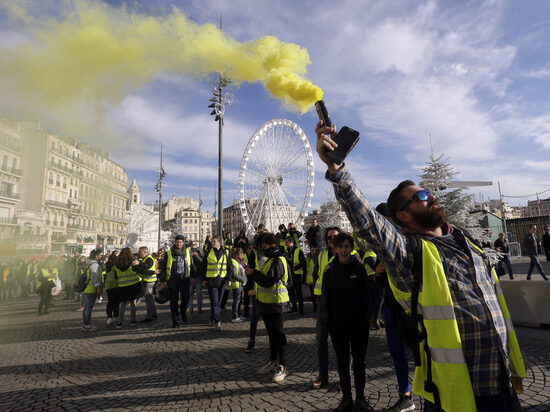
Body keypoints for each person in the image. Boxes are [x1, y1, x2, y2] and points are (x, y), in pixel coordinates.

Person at [316, 120, 526, 412]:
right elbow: (369, 224)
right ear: (403, 215)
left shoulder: (468, 244)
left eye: (429, 192)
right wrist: (337, 171)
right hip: (456, 394)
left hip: (502, 385)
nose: (432, 196)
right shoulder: (410, 254)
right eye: (422, 196)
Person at [322, 233, 373, 411]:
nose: (344, 250)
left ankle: (360, 397)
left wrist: (366, 320)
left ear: (351, 248)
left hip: (359, 325)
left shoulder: (359, 268)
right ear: (335, 249)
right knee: (342, 363)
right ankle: (346, 398)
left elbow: (367, 296)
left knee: (360, 362)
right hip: (338, 326)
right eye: (341, 246)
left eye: (347, 246)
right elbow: (326, 300)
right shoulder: (329, 271)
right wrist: (330, 323)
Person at [245, 233, 290, 383]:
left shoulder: (278, 260)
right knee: (272, 334)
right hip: (265, 301)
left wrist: (254, 273)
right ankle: (273, 361)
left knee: (279, 334)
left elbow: (268, 281)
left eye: (263, 245)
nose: (261, 248)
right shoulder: (270, 259)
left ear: (270, 245)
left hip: (277, 302)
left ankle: (282, 365)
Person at [312, 226, 342, 389]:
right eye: (329, 238)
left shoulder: (349, 254)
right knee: (321, 341)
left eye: (335, 237)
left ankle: (344, 377)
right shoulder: (322, 255)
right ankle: (323, 375)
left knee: (343, 344)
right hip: (324, 304)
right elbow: (317, 275)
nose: (332, 240)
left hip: (341, 304)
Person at [160, 235, 194, 328]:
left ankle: (183, 311)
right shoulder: (169, 253)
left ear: (183, 243)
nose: (179, 244)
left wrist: (193, 277)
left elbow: (192, 265)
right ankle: (175, 320)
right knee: (173, 301)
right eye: (177, 242)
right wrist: (163, 281)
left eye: (180, 242)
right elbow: (163, 267)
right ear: (174, 242)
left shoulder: (187, 252)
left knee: (185, 298)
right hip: (172, 280)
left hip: (184, 279)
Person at [201, 235, 234, 331]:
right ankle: (218, 321)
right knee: (215, 301)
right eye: (212, 241)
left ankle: (212, 318)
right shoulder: (208, 252)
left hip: (222, 280)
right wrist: (203, 279)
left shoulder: (226, 252)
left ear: (219, 242)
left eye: (214, 241)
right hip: (211, 280)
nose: (212, 243)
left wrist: (229, 279)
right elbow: (204, 267)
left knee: (218, 302)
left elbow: (229, 267)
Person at [114, 248, 142, 328]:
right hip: (133, 285)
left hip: (122, 286)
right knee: (133, 303)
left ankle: (119, 322)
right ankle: (133, 320)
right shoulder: (133, 262)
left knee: (122, 304)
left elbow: (116, 276)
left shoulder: (117, 264)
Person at [220, 247, 247, 322]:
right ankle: (235, 316)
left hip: (239, 284)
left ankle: (238, 315)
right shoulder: (233, 261)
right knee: (237, 300)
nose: (243, 255)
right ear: (238, 254)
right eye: (242, 254)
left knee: (238, 300)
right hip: (236, 283)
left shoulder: (239, 261)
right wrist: (243, 279)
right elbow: (234, 274)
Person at [133, 246, 159, 322]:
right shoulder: (146, 259)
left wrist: (138, 265)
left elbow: (145, 269)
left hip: (149, 281)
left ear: (145, 252)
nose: (138, 253)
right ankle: (154, 314)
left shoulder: (149, 259)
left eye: (140, 252)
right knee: (149, 298)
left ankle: (149, 316)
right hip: (148, 280)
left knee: (149, 299)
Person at [284, 236, 306, 315]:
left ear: (291, 242)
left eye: (287, 242)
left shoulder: (298, 250)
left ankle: (301, 309)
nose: (285, 244)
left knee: (299, 292)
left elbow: (303, 262)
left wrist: (296, 268)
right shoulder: (286, 251)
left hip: (296, 274)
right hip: (289, 275)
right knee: (291, 292)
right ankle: (294, 308)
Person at [82, 249, 103, 331]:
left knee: (86, 307)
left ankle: (85, 324)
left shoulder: (89, 264)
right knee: (88, 308)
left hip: (87, 289)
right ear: (96, 256)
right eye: (101, 255)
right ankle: (87, 325)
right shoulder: (95, 265)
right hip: (91, 289)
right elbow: (95, 277)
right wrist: (98, 287)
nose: (102, 256)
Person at [104, 250, 119, 325]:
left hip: (108, 285)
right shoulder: (116, 264)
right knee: (116, 302)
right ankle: (116, 316)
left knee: (110, 302)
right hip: (116, 285)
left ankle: (109, 317)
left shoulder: (107, 264)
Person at [187, 244, 204, 314]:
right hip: (190, 278)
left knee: (199, 294)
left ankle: (199, 307)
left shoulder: (199, 255)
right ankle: (190, 308)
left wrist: (197, 256)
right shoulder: (188, 256)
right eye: (192, 249)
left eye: (195, 249)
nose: (194, 250)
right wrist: (191, 277)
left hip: (198, 277)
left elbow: (203, 263)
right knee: (189, 293)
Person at [304, 246, 318, 312]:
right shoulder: (308, 257)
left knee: (318, 294)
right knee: (313, 295)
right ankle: (315, 307)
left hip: (318, 279)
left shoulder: (318, 256)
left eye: (313, 249)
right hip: (311, 279)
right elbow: (306, 268)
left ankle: (319, 307)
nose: (312, 250)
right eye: (311, 249)